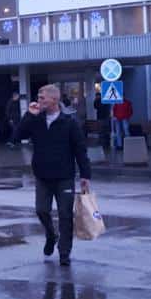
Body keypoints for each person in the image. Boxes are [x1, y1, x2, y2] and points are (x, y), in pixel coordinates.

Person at [14, 84, 92, 267]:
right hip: (42, 175)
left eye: (42, 98)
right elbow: (16, 137)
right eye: (38, 97)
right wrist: (29, 115)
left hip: (64, 175)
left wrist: (85, 175)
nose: (38, 101)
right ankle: (51, 234)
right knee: (41, 210)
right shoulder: (36, 120)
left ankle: (64, 252)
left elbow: (80, 150)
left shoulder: (69, 122)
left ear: (55, 100)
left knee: (65, 215)